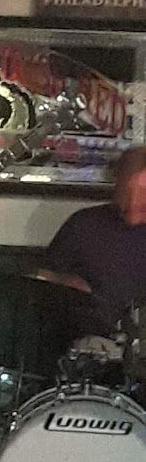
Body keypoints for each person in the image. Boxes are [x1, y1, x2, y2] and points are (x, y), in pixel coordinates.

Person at [44, 147, 146, 343]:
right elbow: (43, 279)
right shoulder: (83, 223)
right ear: (117, 183)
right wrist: (65, 284)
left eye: (142, 193)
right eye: (128, 191)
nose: (133, 201)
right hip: (88, 345)